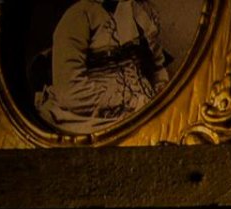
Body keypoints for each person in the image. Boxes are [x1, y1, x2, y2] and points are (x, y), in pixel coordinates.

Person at [34, 0, 170, 135]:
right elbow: (70, 92)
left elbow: (157, 67)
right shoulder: (78, 16)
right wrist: (131, 102)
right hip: (92, 116)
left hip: (145, 106)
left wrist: (159, 90)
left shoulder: (138, 10)